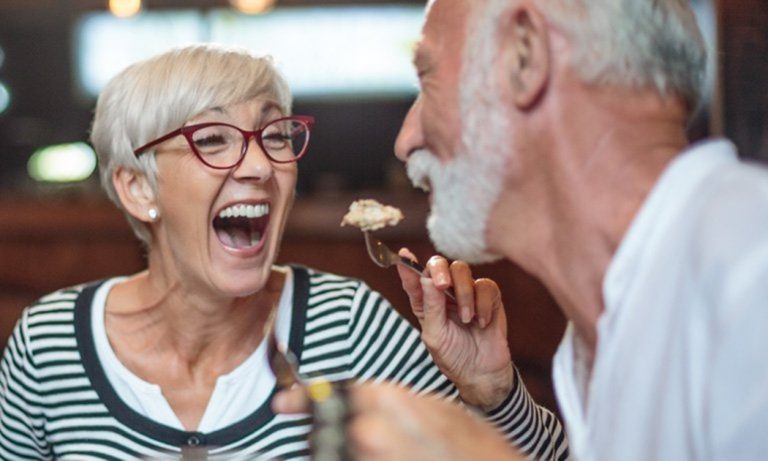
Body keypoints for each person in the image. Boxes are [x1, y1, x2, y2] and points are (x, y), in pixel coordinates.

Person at [0, 43, 567, 459]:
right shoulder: (50, 348)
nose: (260, 166)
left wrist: (492, 394)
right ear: (137, 187)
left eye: (275, 136)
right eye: (213, 139)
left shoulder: (349, 329)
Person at [277, 0, 768, 459]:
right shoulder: (596, 330)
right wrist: (497, 398)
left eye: (427, 80)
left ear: (524, 56)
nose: (406, 142)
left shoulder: (750, 269)